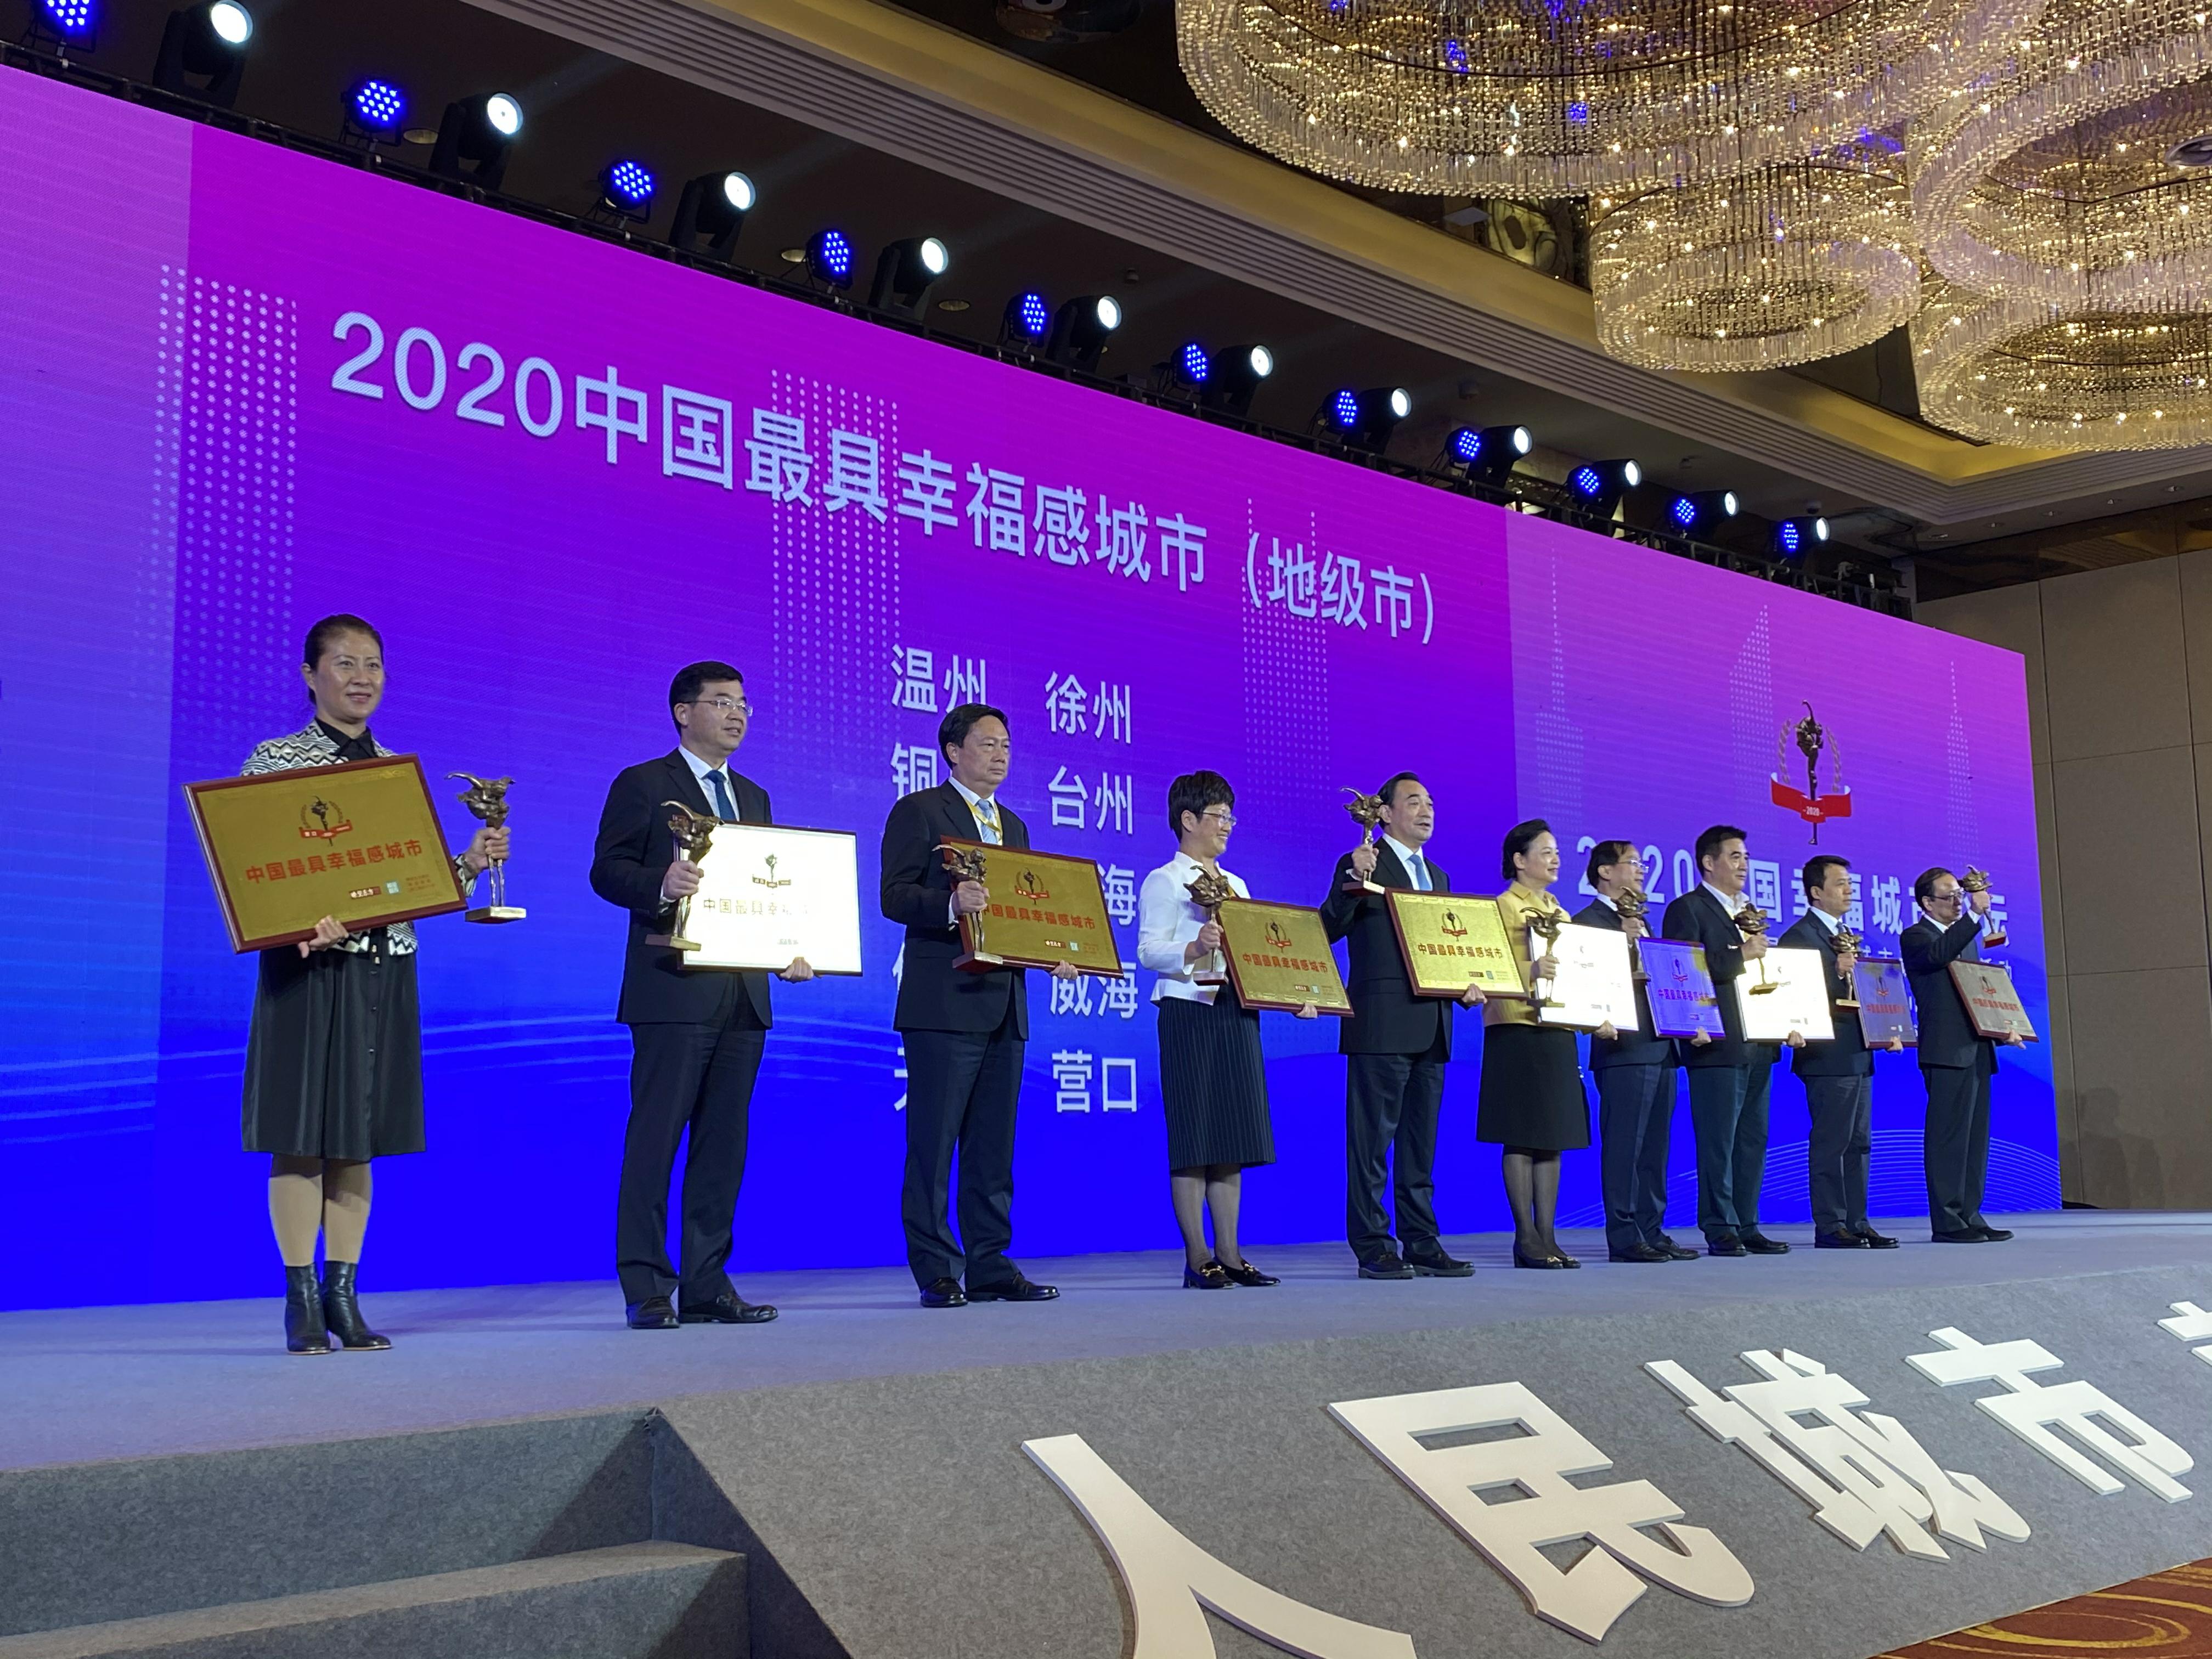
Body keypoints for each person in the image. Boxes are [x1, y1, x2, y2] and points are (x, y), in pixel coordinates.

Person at [240, 614, 506, 1355]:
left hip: (384, 964)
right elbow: (252, 865)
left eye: (375, 665)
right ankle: (300, 1300)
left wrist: (468, 865)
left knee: (356, 1138)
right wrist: (295, 922)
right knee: (301, 1136)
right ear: (310, 674)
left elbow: (403, 888)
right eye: (346, 663)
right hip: (306, 966)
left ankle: (344, 1296)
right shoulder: (276, 760)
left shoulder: (395, 771)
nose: (363, 678)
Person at [590, 662, 814, 1331]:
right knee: (655, 1143)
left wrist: (790, 949)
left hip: (743, 997)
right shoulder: (643, 783)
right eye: (721, 702)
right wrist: (660, 884)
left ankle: (707, 1283)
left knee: (723, 1148)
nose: (737, 713)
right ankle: (646, 1286)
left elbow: (770, 893)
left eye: (743, 703)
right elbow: (607, 870)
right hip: (672, 991)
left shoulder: (754, 796)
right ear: (683, 713)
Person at [881, 702, 1077, 1308]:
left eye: (1006, 746)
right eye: (988, 744)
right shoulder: (920, 810)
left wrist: (1053, 952)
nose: (1000, 755)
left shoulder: (1013, 827)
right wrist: (949, 904)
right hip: (944, 1004)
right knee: (934, 1144)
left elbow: (1024, 913)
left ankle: (990, 1263)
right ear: (953, 752)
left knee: (994, 1149)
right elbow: (894, 896)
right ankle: (937, 1269)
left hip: (1004, 1004)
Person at [1137, 771, 1310, 1288]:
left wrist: (1294, 994)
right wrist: (1194, 947)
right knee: (1195, 1137)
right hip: (1190, 1012)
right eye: (1218, 816)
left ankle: (1231, 1254)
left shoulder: (1238, 886)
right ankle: (1198, 1258)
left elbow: (1257, 957)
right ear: (1188, 820)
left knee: (1232, 1137)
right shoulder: (1164, 880)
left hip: (1235, 1011)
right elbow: (1148, 951)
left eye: (1231, 816)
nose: (1228, 825)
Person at [1321, 772, 1483, 1279]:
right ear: (1386, 814)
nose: (1426, 810)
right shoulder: (1362, 860)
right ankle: (1372, 1245)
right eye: (1413, 802)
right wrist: (1353, 877)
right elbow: (1327, 927)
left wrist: (1466, 985)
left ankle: (1422, 1241)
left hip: (1433, 1026)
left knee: (1420, 1146)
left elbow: (1444, 951)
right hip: (1381, 1024)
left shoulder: (1438, 876)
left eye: (1430, 802)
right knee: (1371, 1146)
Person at [1660, 825, 1789, 1257]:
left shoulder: (1748, 911)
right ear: (1708, 862)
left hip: (1759, 1041)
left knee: (1753, 1139)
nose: (1743, 865)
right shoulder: (1688, 909)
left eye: (1746, 857)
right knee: (1719, 1140)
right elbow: (1682, 970)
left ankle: (1747, 1222)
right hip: (1715, 1042)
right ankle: (1719, 1225)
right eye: (1735, 857)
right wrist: (1741, 955)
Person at [1575, 842, 1695, 1263]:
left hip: (1662, 1046)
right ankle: (1624, 1235)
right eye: (1632, 863)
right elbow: (1585, 980)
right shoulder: (1586, 922)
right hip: (1623, 1047)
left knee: (1656, 1148)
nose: (1641, 870)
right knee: (1625, 1145)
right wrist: (1621, 944)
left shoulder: (1642, 919)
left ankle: (1652, 1229)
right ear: (1605, 872)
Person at [1480, 821, 1591, 1268]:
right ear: (1519, 860)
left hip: (1557, 1028)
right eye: (1545, 851)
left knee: (1552, 1135)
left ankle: (1548, 1235)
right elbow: (1486, 966)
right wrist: (1531, 971)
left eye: (1556, 851)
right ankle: (1524, 1236)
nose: (1555, 858)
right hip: (1516, 1027)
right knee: (1521, 1135)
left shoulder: (1560, 912)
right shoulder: (1502, 907)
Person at [1779, 855, 1901, 1250]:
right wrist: (1835, 972)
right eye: (1840, 884)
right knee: (1832, 1142)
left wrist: (1889, 1027)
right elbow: (1795, 992)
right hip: (1827, 1056)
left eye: (1850, 883)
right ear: (1816, 892)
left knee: (1860, 1143)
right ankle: (1830, 1224)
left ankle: (1857, 1221)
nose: (1849, 890)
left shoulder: (1845, 934)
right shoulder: (1799, 936)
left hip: (1859, 1052)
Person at [1903, 867, 2025, 1243]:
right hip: (1946, 1052)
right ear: (1927, 903)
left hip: (1977, 1049)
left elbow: (1978, 992)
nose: (1958, 902)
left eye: (1960, 895)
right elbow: (1939, 955)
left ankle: (1971, 1213)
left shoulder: (1965, 939)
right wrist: (1974, 914)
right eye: (1950, 896)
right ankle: (1948, 1221)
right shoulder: (1917, 936)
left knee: (1974, 1139)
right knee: (1948, 1139)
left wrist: (2002, 1028)